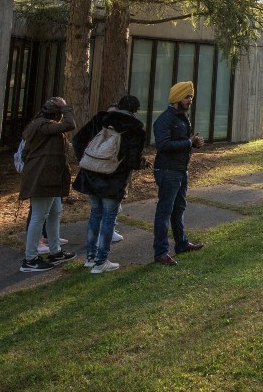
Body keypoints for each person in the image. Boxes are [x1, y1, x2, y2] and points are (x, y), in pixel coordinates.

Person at [72, 95, 147, 274]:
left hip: (91, 174)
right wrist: (140, 163)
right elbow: (133, 160)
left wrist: (87, 160)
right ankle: (101, 260)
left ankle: (90, 257)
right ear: (135, 110)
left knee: (95, 214)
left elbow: (78, 140)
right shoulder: (135, 128)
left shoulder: (101, 119)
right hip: (114, 178)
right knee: (108, 219)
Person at [18, 97, 78, 272]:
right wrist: (66, 108)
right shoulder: (43, 126)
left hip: (49, 177)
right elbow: (70, 125)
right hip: (42, 177)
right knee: (39, 216)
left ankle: (55, 251)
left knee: (54, 212)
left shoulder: (39, 126)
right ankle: (30, 259)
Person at [151, 81, 206, 266]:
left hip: (181, 169)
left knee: (179, 208)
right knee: (165, 211)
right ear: (176, 98)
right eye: (186, 96)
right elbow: (163, 145)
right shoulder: (165, 120)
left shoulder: (183, 117)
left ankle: (181, 244)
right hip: (167, 170)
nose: (190, 100)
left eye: (191, 96)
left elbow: (182, 142)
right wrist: (189, 143)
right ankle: (160, 252)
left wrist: (194, 143)